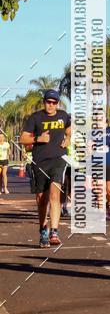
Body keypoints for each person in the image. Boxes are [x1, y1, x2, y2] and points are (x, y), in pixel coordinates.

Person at [19, 89, 71, 248]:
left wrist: (68, 138)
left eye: (54, 102)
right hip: (40, 162)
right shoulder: (35, 118)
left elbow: (70, 129)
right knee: (42, 200)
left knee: (55, 194)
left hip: (58, 160)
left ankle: (54, 232)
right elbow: (23, 138)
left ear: (57, 104)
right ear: (44, 102)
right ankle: (43, 230)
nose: (51, 105)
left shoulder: (63, 116)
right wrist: (38, 138)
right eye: (49, 102)